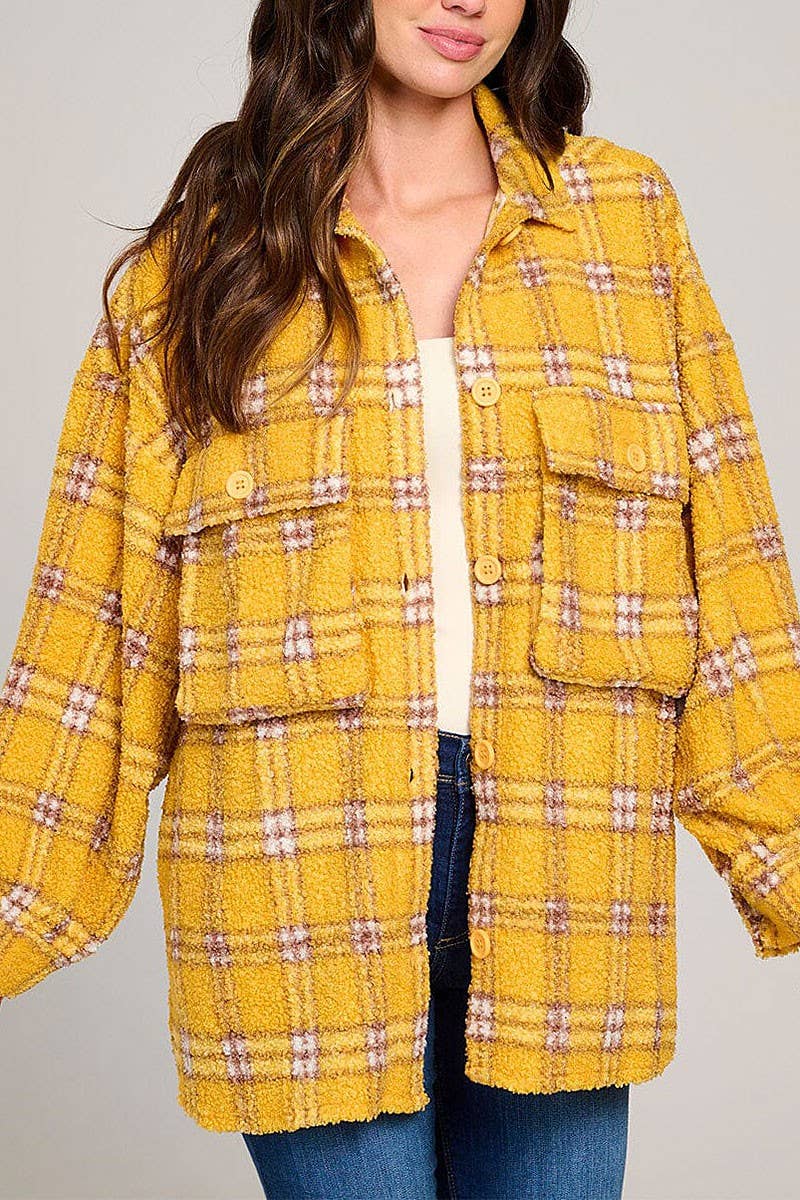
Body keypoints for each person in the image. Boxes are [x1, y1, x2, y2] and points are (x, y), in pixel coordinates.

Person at [2, 1, 800, 1198]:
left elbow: (731, 562)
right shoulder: (203, 263)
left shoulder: (623, 221)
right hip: (293, 888)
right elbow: (95, 628)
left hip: (568, 880)